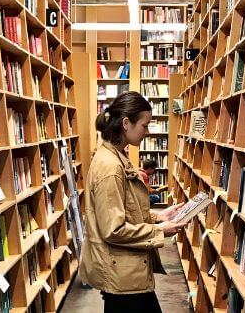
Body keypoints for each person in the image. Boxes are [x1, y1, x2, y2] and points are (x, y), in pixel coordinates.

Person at [79, 91, 186, 312]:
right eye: (144, 125)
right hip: (122, 277)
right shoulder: (110, 166)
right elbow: (114, 229)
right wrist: (160, 231)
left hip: (128, 273)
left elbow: (126, 209)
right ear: (126, 123)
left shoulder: (117, 156)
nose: (146, 132)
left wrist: (159, 216)